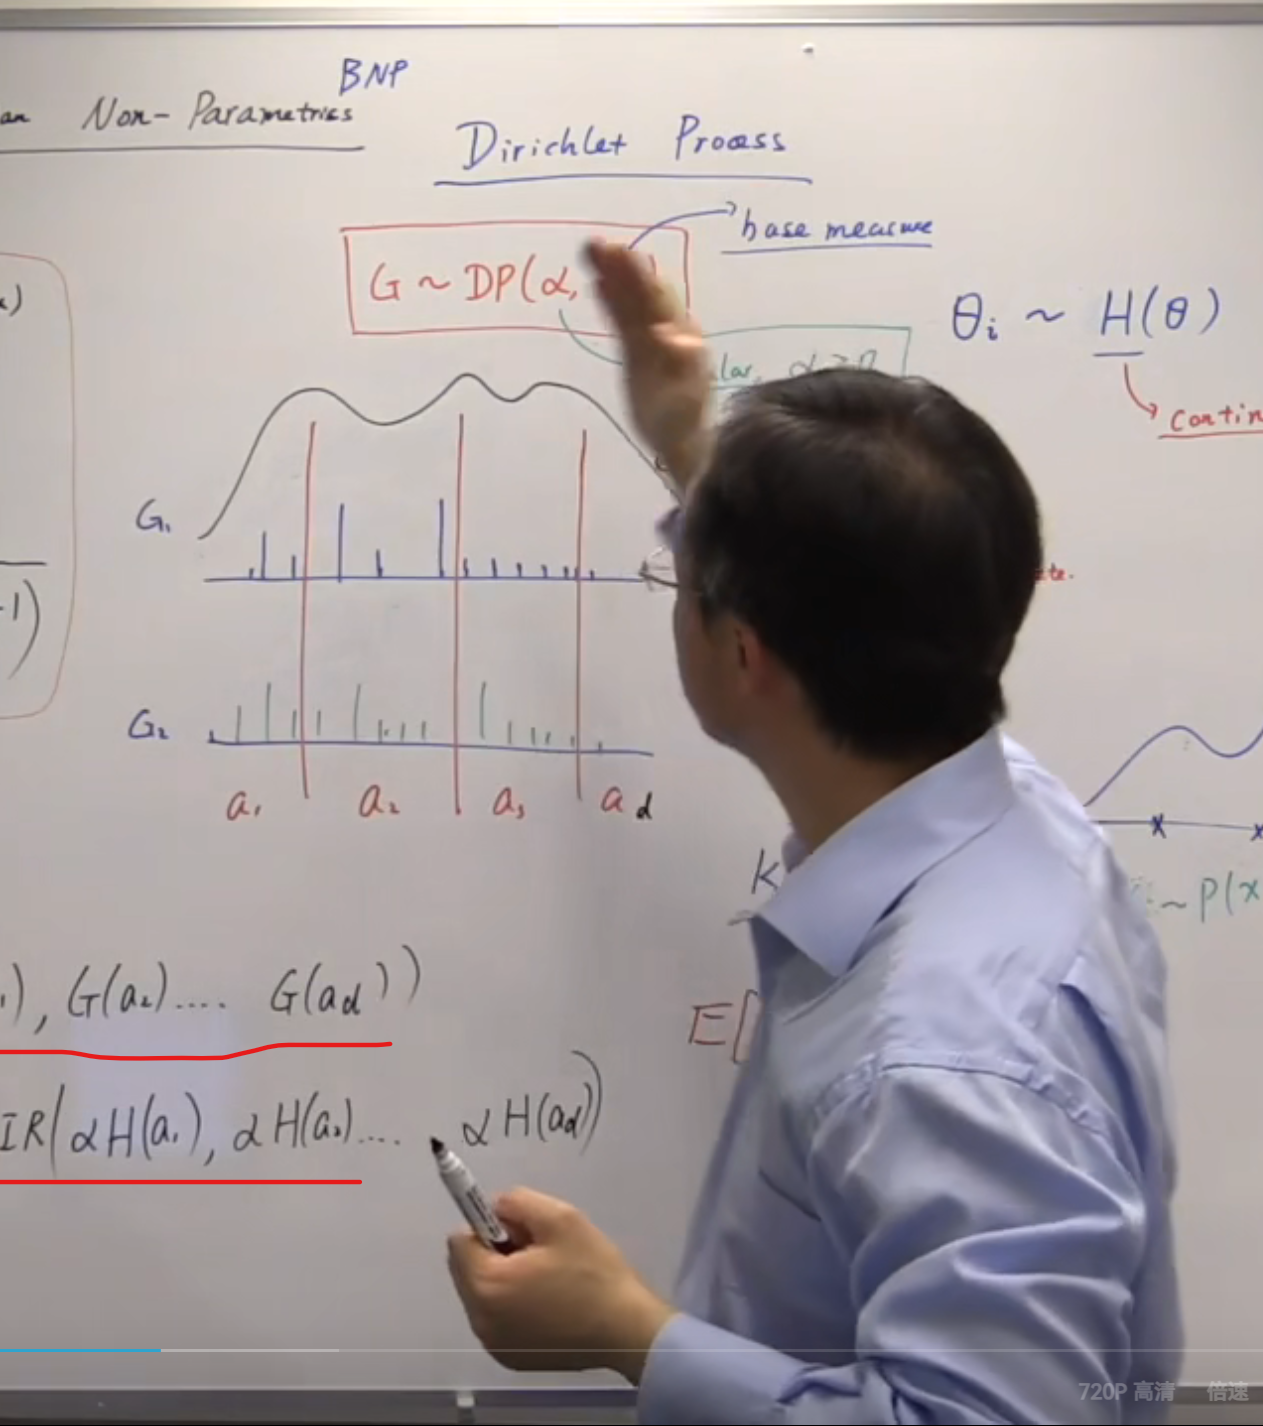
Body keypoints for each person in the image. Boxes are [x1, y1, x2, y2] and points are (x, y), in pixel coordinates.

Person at [442, 238, 1181, 1424]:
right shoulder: (1013, 810)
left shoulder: (942, 1052)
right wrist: (697, 451)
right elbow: (864, 582)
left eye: (684, 575)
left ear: (743, 653)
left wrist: (630, 1335)